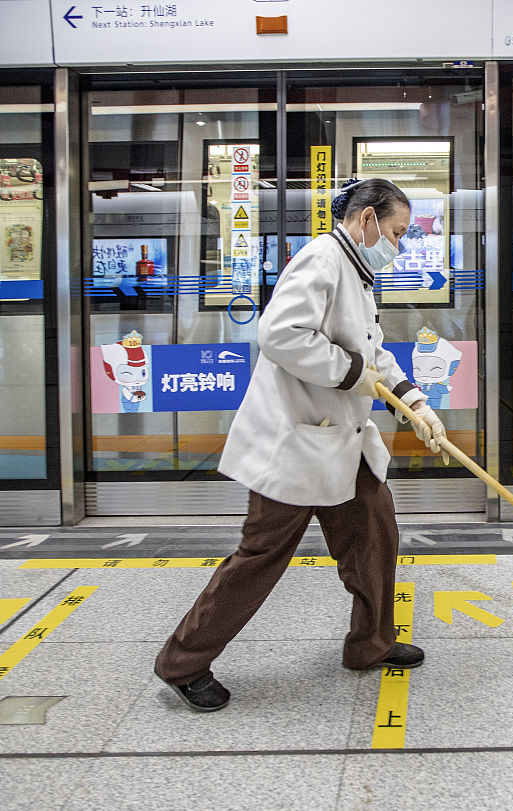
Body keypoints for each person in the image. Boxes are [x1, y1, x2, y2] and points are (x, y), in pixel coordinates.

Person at [154, 178, 446, 713]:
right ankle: (183, 663)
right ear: (367, 221)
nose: (399, 246)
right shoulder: (322, 259)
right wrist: (351, 373)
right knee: (261, 556)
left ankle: (371, 645)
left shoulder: (357, 274)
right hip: (295, 442)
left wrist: (417, 404)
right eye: (397, 233)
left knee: (376, 534)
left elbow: (374, 354)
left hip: (344, 441)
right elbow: (281, 334)